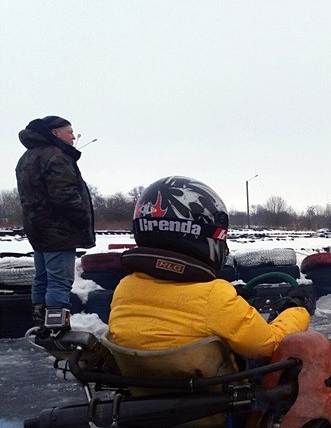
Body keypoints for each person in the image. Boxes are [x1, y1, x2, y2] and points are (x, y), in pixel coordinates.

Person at [108, 176, 311, 360]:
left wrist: (232, 298)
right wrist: (297, 308)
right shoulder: (213, 297)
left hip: (143, 390)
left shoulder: (125, 289)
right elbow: (270, 345)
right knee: (315, 348)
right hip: (212, 395)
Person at [15, 116, 95, 325]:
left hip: (37, 230)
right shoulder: (55, 157)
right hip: (59, 232)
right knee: (60, 282)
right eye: (69, 131)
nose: (73, 136)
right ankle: (57, 328)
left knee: (41, 279)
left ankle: (41, 323)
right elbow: (65, 196)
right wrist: (82, 219)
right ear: (55, 133)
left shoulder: (27, 157)